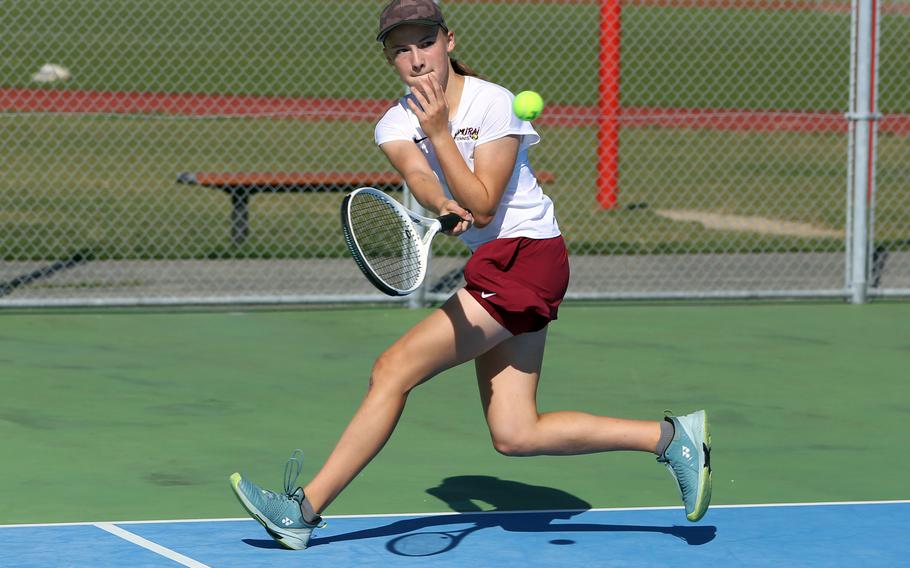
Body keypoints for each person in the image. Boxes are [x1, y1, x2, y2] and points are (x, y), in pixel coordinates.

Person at [229, 0, 712, 550]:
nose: (416, 58)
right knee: (515, 433)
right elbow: (422, 178)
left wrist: (439, 133)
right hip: (498, 263)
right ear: (389, 58)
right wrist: (438, 203)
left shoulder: (495, 104)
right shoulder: (393, 122)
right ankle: (671, 438)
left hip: (528, 256)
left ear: (449, 41)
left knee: (393, 369)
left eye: (425, 43)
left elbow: (482, 206)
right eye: (400, 49)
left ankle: (303, 511)